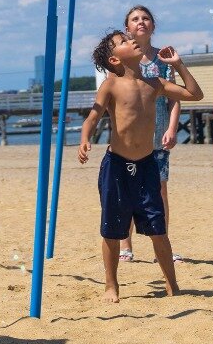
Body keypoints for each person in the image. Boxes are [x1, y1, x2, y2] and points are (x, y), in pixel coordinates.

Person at [79, 30, 201, 302]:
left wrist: (178, 65)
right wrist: (85, 138)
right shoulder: (110, 85)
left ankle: (173, 285)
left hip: (147, 164)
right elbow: (93, 116)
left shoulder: (154, 83)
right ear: (114, 59)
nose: (131, 40)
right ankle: (111, 285)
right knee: (112, 229)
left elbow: (195, 94)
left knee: (158, 229)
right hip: (117, 167)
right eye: (123, 42)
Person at [119, 5, 203, 263]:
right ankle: (125, 246)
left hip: (158, 135)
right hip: (129, 137)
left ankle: (161, 245)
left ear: (153, 26)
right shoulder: (121, 57)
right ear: (127, 28)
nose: (140, 22)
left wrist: (172, 128)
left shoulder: (163, 58)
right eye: (135, 19)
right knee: (126, 192)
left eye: (145, 18)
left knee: (160, 190)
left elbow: (175, 98)